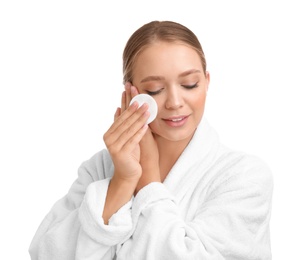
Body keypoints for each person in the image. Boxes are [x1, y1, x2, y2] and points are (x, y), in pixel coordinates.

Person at [29, 20, 273, 260]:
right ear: (131, 93)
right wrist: (122, 181)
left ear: (207, 82)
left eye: (190, 84)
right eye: (155, 90)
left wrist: (147, 183)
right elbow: (47, 252)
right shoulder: (101, 169)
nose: (175, 102)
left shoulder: (244, 176)